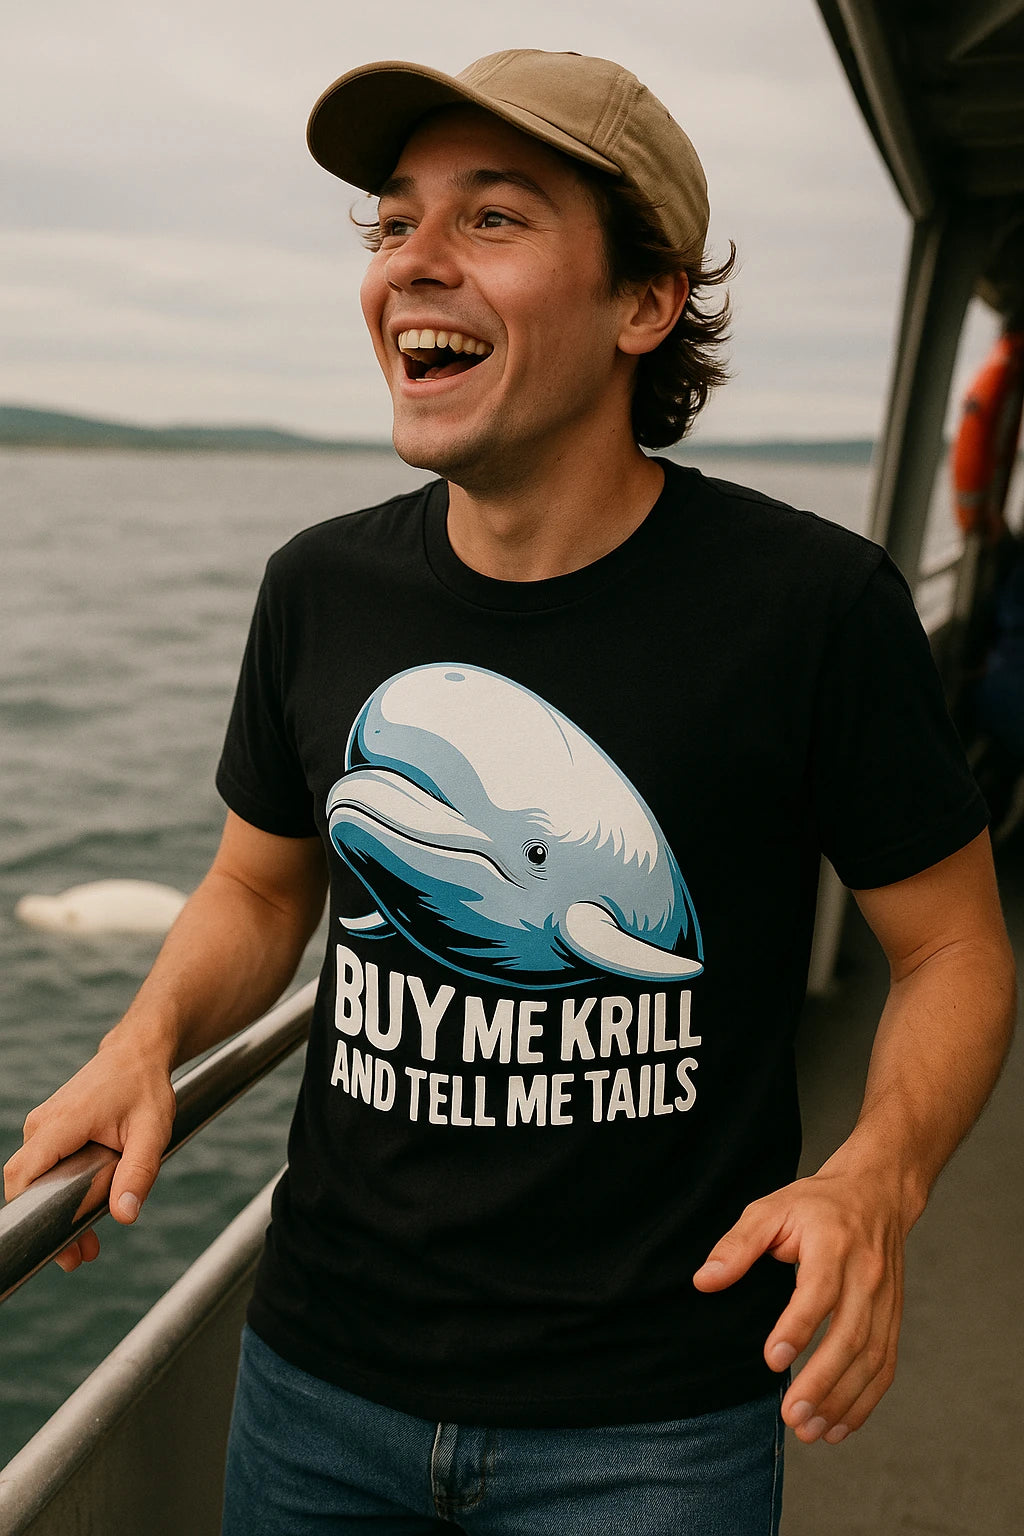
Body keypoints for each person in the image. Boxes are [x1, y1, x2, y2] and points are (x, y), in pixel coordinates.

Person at [4, 48, 1016, 1536]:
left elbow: (953, 949)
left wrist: (880, 1177)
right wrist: (145, 1037)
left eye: (491, 219)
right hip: (317, 1382)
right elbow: (259, 885)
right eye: (394, 222)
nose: (412, 260)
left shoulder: (809, 606)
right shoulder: (319, 587)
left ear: (644, 304)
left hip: (651, 1421)